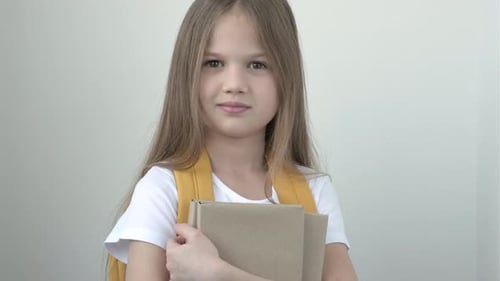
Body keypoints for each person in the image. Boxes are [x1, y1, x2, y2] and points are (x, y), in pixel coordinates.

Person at [104, 0, 357, 280]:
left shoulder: (315, 190)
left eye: (257, 64)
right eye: (214, 63)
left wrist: (217, 273)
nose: (235, 83)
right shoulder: (162, 190)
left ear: (288, 76)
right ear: (186, 73)